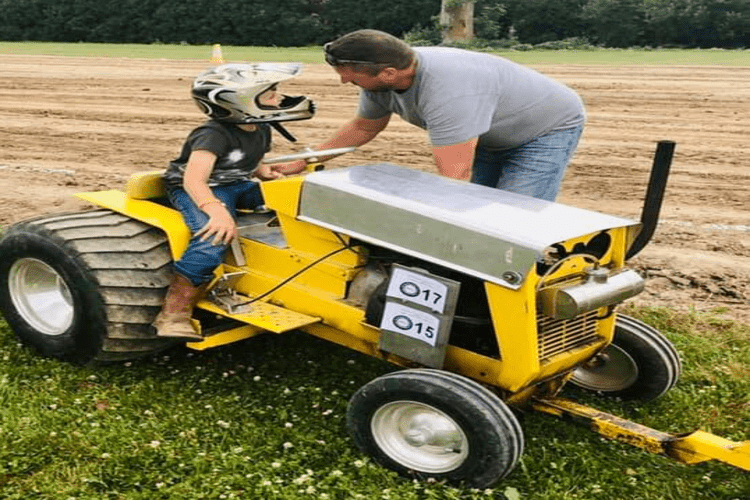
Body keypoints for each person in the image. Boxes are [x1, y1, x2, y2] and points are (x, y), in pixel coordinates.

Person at [268, 29, 585, 202]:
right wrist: (304, 160)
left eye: (349, 75)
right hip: (492, 130)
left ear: (389, 73)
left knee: (516, 212)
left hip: (545, 128)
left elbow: (454, 179)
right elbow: (364, 127)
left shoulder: (450, 92)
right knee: (485, 206)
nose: (344, 81)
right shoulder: (381, 85)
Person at [152, 63, 315, 341]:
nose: (278, 98)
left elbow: (252, 160)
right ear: (237, 100)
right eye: (270, 93)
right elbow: (194, 180)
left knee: (300, 196)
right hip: (198, 189)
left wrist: (267, 175)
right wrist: (216, 211)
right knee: (212, 239)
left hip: (236, 185)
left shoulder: (261, 125)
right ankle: (173, 313)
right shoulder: (213, 134)